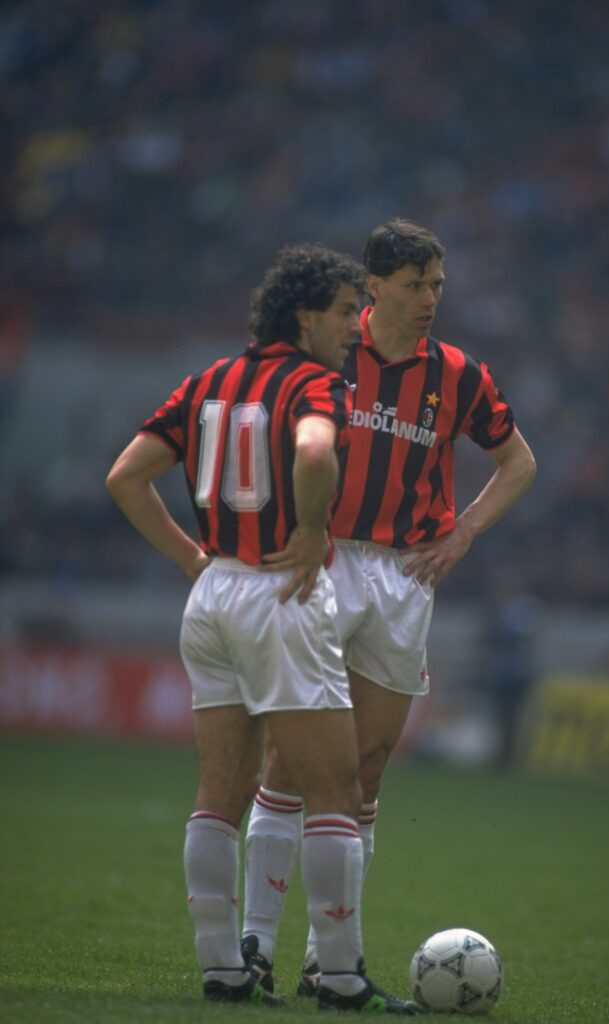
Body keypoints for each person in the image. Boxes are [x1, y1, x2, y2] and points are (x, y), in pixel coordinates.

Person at [105, 243, 420, 1014]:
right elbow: (315, 449)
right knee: (335, 789)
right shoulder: (316, 383)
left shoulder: (209, 379)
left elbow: (126, 477)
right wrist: (313, 531)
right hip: (279, 594)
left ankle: (222, 967)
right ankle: (341, 976)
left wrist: (191, 557)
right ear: (306, 315)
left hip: (213, 595)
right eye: (348, 311)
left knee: (220, 791)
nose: (357, 327)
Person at [241, 219, 537, 995]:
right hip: (326, 557)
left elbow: (518, 461)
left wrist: (464, 532)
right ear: (374, 288)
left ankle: (325, 959)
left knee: (366, 773)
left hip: (406, 578)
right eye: (416, 285)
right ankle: (253, 945)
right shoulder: (331, 354)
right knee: (289, 764)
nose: (431, 298)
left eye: (438, 284)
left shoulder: (460, 374)